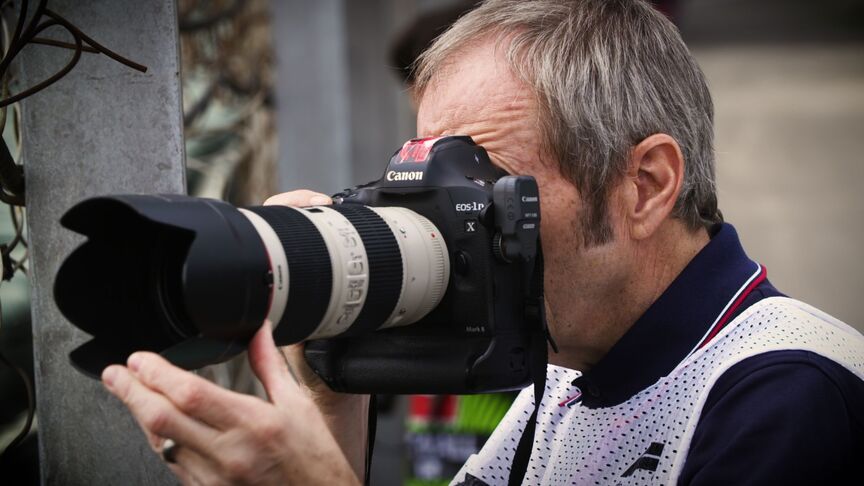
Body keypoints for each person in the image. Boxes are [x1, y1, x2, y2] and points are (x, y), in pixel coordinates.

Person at [99, 0, 864, 484]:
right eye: (427, 194)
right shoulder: (568, 378)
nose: (447, 230)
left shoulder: (790, 398)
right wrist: (334, 403)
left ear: (647, 185)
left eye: (482, 188)